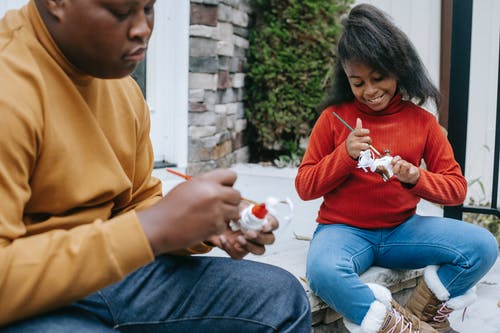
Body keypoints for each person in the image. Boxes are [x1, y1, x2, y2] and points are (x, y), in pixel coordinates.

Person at [0, 0, 311, 332]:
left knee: (281, 301)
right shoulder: (11, 85)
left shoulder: (118, 83)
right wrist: (150, 230)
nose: (142, 30)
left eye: (148, 9)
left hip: (113, 275)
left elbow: (136, 202)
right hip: (28, 293)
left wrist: (201, 227)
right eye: (121, 13)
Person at [295, 4, 498, 333]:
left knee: (483, 246)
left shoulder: (422, 122)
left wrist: (414, 177)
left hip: (402, 232)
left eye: (379, 78)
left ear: (399, 70)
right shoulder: (334, 118)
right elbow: (305, 186)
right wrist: (344, 155)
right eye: (358, 82)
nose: (370, 91)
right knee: (323, 272)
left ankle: (427, 312)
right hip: (343, 231)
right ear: (346, 79)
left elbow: (456, 190)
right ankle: (396, 325)